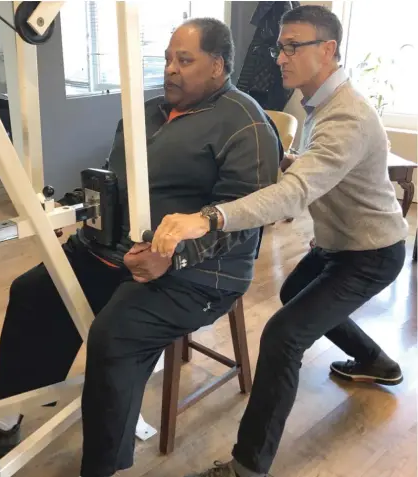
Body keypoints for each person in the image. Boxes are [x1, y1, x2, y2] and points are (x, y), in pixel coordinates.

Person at [0, 18, 281, 477]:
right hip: (117, 251)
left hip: (201, 271)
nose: (170, 70)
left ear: (218, 67)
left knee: (114, 335)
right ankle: (7, 415)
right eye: (167, 58)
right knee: (34, 292)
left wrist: (175, 256)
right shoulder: (143, 112)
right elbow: (114, 182)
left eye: (185, 60)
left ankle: (102, 467)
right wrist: (86, 220)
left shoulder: (245, 124)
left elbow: (246, 221)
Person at [151, 6, 408, 477]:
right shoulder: (320, 105)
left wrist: (208, 217)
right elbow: (310, 171)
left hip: (371, 253)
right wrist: (284, 161)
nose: (280, 58)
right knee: (294, 293)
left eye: (293, 47)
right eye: (280, 47)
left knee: (282, 336)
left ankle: (247, 466)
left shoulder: (346, 116)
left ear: (328, 50)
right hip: (339, 244)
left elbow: (296, 193)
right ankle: (377, 362)